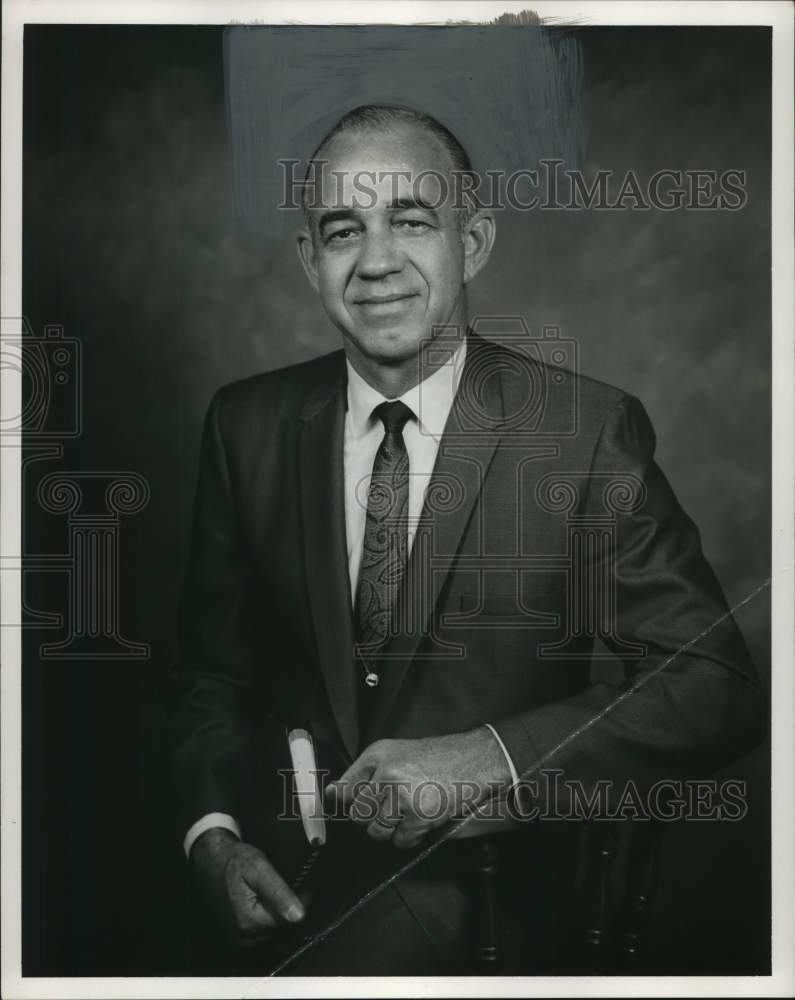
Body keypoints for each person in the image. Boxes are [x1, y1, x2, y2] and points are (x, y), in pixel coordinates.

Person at [169, 105, 764, 975]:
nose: (375, 262)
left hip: (489, 913)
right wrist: (210, 838)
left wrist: (491, 759)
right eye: (343, 231)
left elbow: (713, 687)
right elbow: (209, 677)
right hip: (278, 896)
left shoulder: (582, 431)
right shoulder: (245, 423)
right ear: (309, 260)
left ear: (473, 241)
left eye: (411, 221)